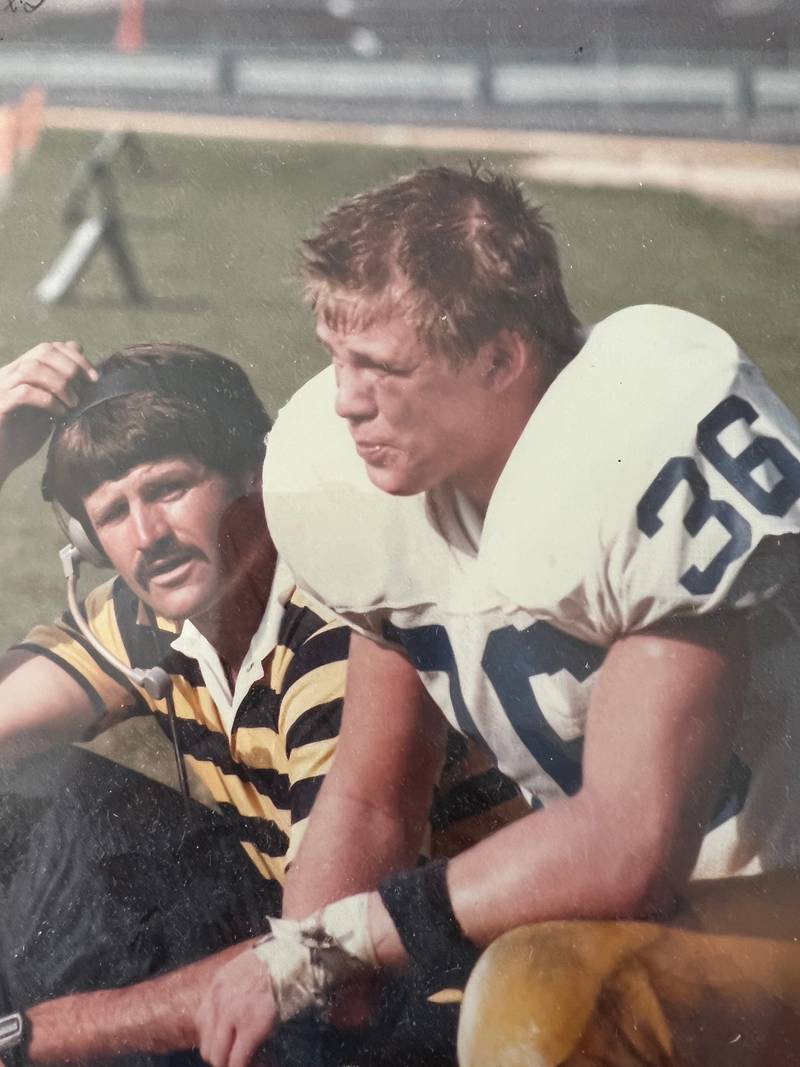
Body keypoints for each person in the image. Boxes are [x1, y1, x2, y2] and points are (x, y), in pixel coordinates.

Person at [197, 166, 800, 1067]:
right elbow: (369, 796)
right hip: (647, 910)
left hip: (770, 892)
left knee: (540, 1001)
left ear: (501, 358)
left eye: (381, 366)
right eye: (337, 357)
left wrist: (342, 940)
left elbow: (631, 843)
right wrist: (304, 968)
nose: (346, 399)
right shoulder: (401, 495)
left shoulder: (632, 447)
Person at [0, 338, 525, 1066]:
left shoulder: (335, 629)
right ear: (85, 538)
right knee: (16, 793)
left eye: (168, 488)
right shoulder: (146, 619)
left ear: (255, 474)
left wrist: (35, 1037)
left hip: (428, 991)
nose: (147, 534)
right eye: (114, 512)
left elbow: (310, 968)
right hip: (299, 938)